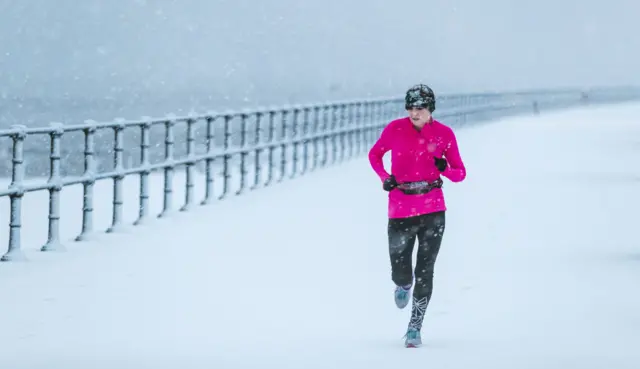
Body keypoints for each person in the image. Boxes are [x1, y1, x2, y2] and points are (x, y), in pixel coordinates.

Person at [368, 84, 467, 348]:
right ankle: (403, 284)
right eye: (411, 108)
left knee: (426, 269)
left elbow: (460, 173)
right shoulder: (395, 129)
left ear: (430, 109)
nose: (414, 113)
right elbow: (375, 154)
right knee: (401, 270)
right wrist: (385, 177)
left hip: (433, 209)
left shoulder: (444, 134)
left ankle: (415, 326)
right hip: (400, 207)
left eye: (420, 108)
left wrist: (444, 167)